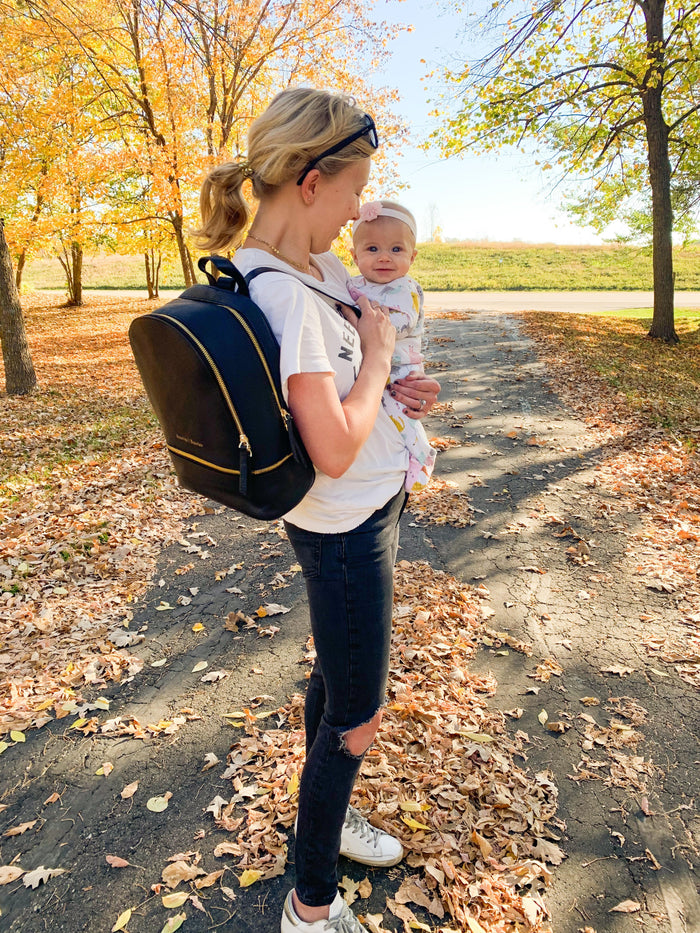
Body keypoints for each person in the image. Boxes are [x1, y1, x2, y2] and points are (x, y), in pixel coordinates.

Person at [195, 87, 440, 933]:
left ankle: (322, 824)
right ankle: (310, 903)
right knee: (358, 711)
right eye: (350, 193)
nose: (355, 214)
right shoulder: (292, 294)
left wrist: (397, 383)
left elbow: (356, 386)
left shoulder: (319, 271)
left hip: (372, 502)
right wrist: (376, 365)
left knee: (335, 682)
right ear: (309, 181)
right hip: (344, 524)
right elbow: (333, 444)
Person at [349, 200, 437, 492]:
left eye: (395, 250)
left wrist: (359, 322)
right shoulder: (352, 284)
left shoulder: (405, 288)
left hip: (402, 368)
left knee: (403, 414)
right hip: (378, 366)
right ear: (354, 255)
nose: (384, 257)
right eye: (372, 249)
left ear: (412, 257)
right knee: (380, 412)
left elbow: (400, 322)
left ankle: (422, 455)